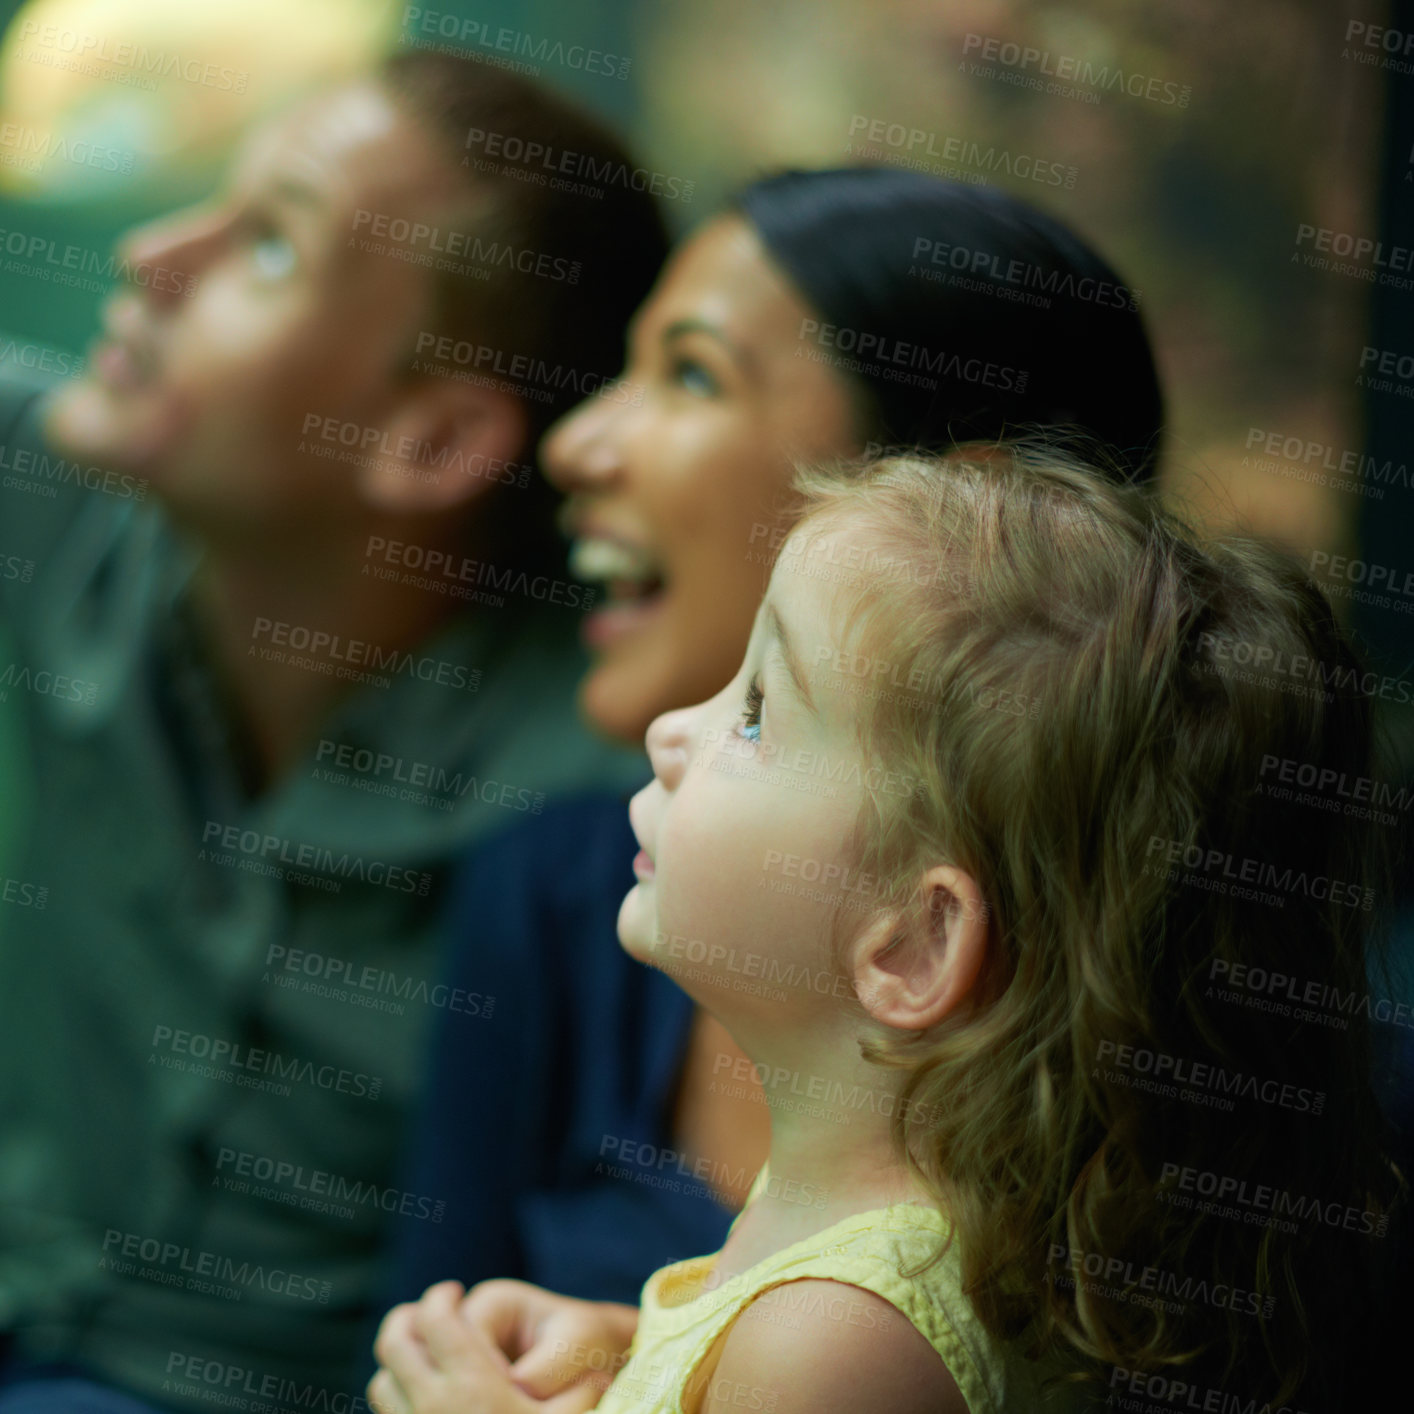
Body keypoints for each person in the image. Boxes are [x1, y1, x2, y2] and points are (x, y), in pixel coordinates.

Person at [371, 446, 1401, 1414]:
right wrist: (622, 1354)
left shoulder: (836, 1338)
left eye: (758, 712)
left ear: (911, 942)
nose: (670, 730)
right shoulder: (860, 1217)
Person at [0, 49, 667, 1413]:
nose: (152, 259)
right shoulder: (50, 513)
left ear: (427, 441)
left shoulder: (610, 797)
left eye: (265, 245)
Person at [380, 169, 1165, 1318]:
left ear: (970, 511)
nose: (577, 441)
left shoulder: (1193, 1055)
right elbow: (423, 1339)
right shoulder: (550, 894)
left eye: (692, 373)